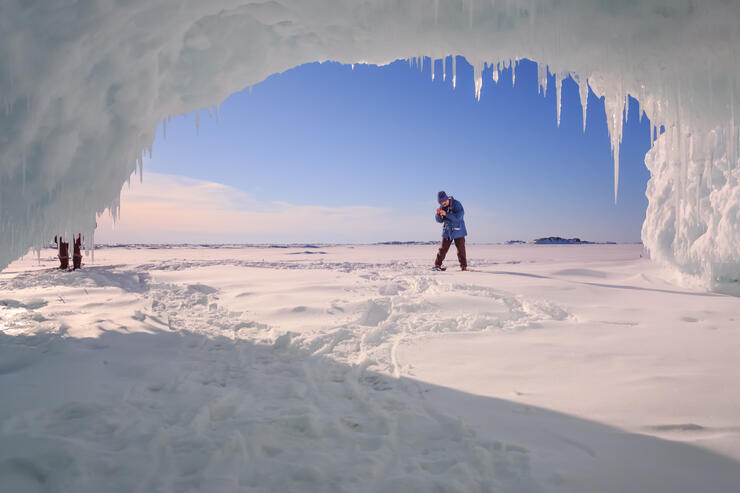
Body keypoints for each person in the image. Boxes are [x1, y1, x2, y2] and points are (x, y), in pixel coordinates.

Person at [433, 191, 468, 271]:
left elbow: (458, 218)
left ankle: (464, 267)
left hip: (458, 230)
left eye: (444, 202)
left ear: (447, 199)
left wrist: (446, 214)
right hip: (447, 231)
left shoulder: (457, 204)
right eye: (441, 203)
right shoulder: (442, 207)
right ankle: (437, 265)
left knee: (461, 250)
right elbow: (439, 221)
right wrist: (438, 215)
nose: (443, 204)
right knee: (442, 249)